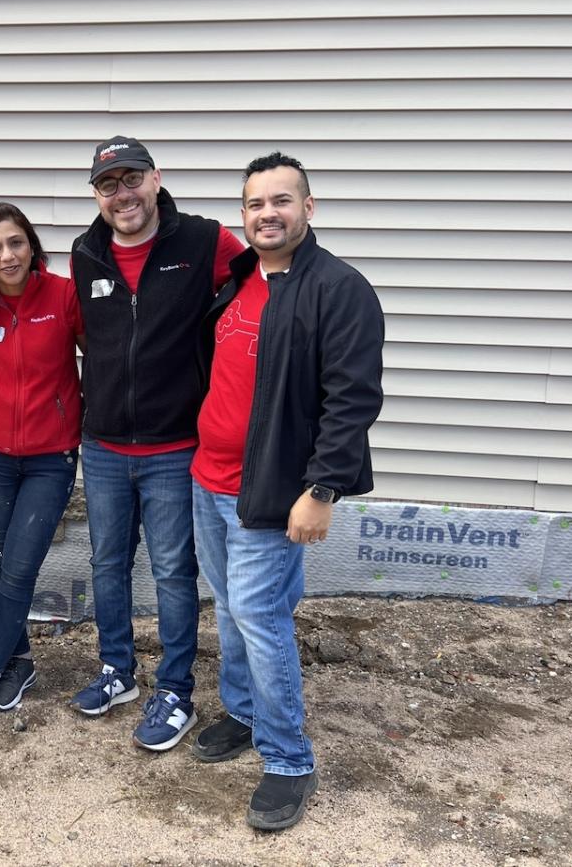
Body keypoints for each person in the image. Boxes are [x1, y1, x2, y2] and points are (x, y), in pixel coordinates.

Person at [190, 152, 384, 830]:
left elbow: (352, 400)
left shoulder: (339, 289)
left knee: (260, 617)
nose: (267, 213)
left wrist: (322, 489)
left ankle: (289, 759)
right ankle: (244, 713)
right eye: (254, 204)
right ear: (242, 215)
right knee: (236, 607)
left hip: (269, 489)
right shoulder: (240, 277)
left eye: (281, 200)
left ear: (309, 207)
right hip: (206, 478)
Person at [69, 136, 247, 751]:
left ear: (156, 178)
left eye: (132, 179)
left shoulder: (204, 240)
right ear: (97, 195)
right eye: (108, 185)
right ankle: (117, 670)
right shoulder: (85, 253)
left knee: (173, 571)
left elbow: (265, 285)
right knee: (106, 565)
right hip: (106, 443)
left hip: (175, 446)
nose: (123, 194)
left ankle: (174, 690)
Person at [0, 203, 84, 724]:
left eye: (16, 243)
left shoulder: (64, 295)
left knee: (21, 566)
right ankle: (20, 661)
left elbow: (101, 358)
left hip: (51, 456)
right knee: (1, 563)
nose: (8, 255)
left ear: (32, 247)